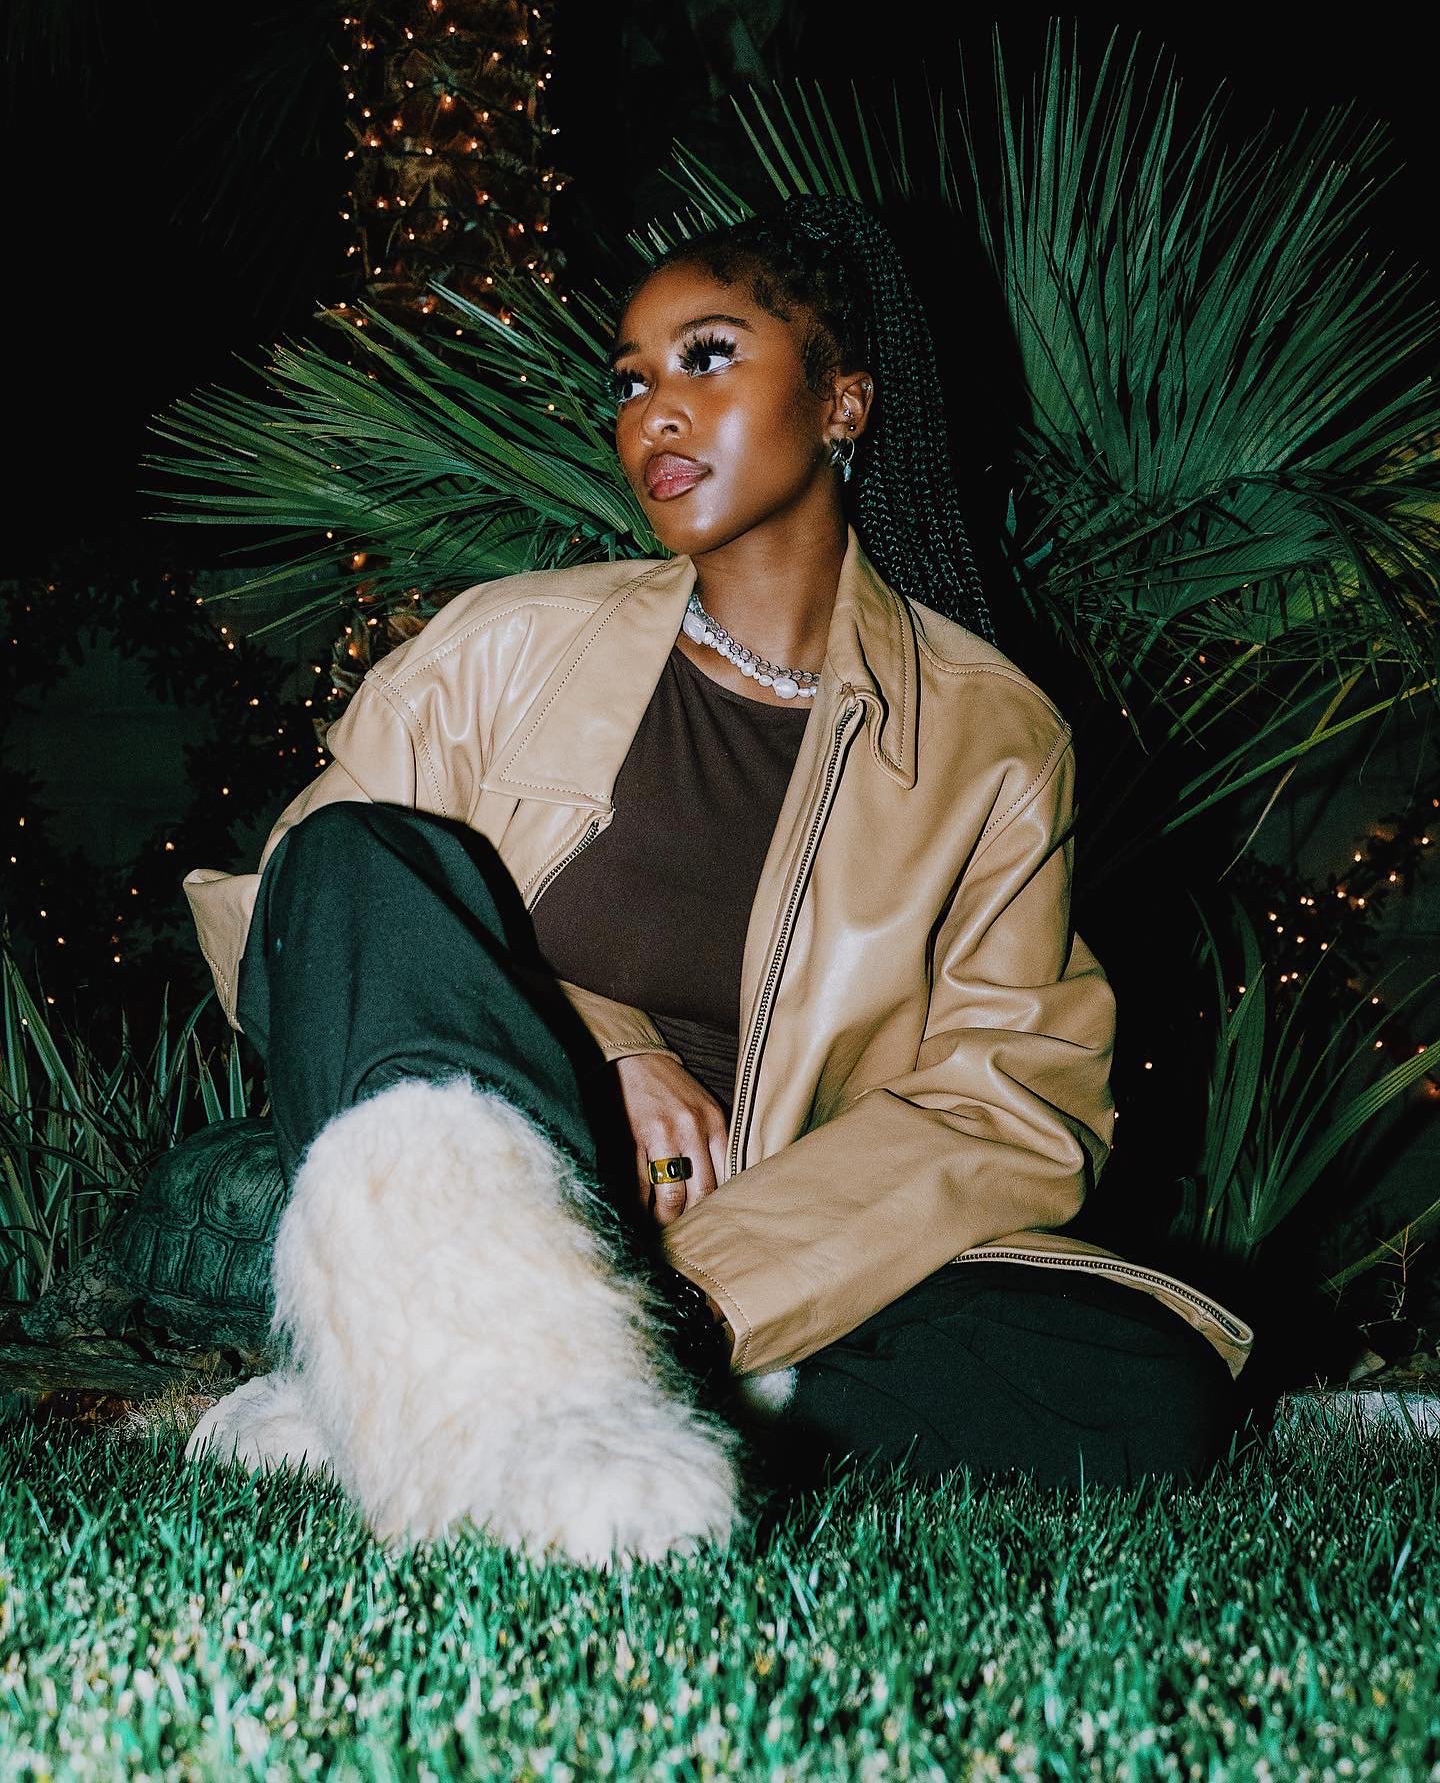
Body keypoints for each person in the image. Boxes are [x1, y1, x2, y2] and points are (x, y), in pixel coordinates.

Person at [182, 196, 1253, 1558]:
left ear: (844, 402)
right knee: (355, 852)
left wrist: (698, 1289)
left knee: (1143, 1391)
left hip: (764, 1250)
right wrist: (603, 1051)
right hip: (484, 1176)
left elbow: (1015, 1099)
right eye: (631, 380)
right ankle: (515, 1347)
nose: (654, 413)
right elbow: (284, 922)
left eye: (705, 359)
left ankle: (523, 1369)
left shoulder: (990, 736)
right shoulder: (502, 646)